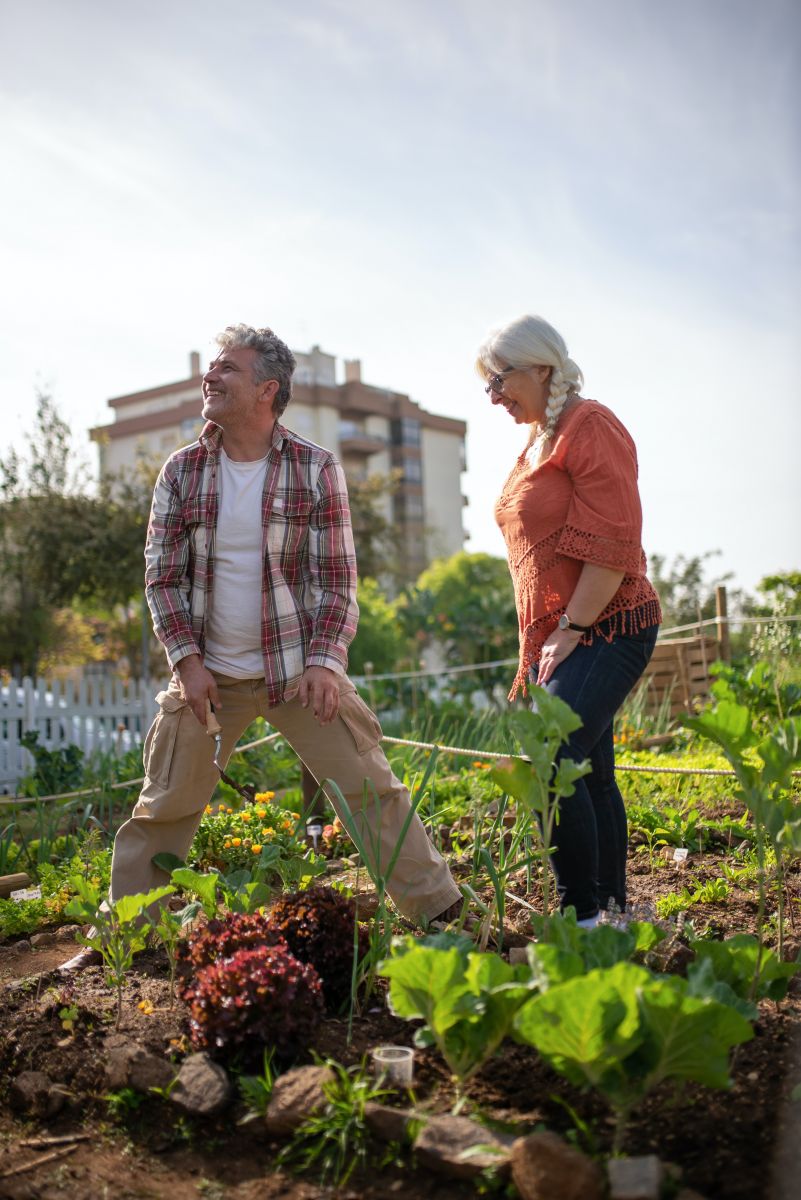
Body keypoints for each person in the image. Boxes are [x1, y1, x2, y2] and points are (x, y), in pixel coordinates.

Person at [61, 324, 461, 970]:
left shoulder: (314, 467)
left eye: (226, 370)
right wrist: (186, 664)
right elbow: (162, 576)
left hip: (296, 671)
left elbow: (336, 581)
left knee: (370, 789)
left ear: (266, 390)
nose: (209, 378)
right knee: (165, 803)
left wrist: (327, 663)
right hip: (208, 677)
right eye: (209, 368)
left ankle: (441, 914)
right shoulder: (183, 469)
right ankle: (127, 940)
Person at [477, 314, 662, 927]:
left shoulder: (590, 426)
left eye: (500, 379)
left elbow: (615, 543)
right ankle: (612, 914)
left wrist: (572, 628)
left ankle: (581, 917)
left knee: (551, 760)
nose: (495, 395)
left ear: (542, 368)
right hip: (568, 630)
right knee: (590, 770)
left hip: (609, 624)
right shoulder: (538, 441)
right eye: (488, 386)